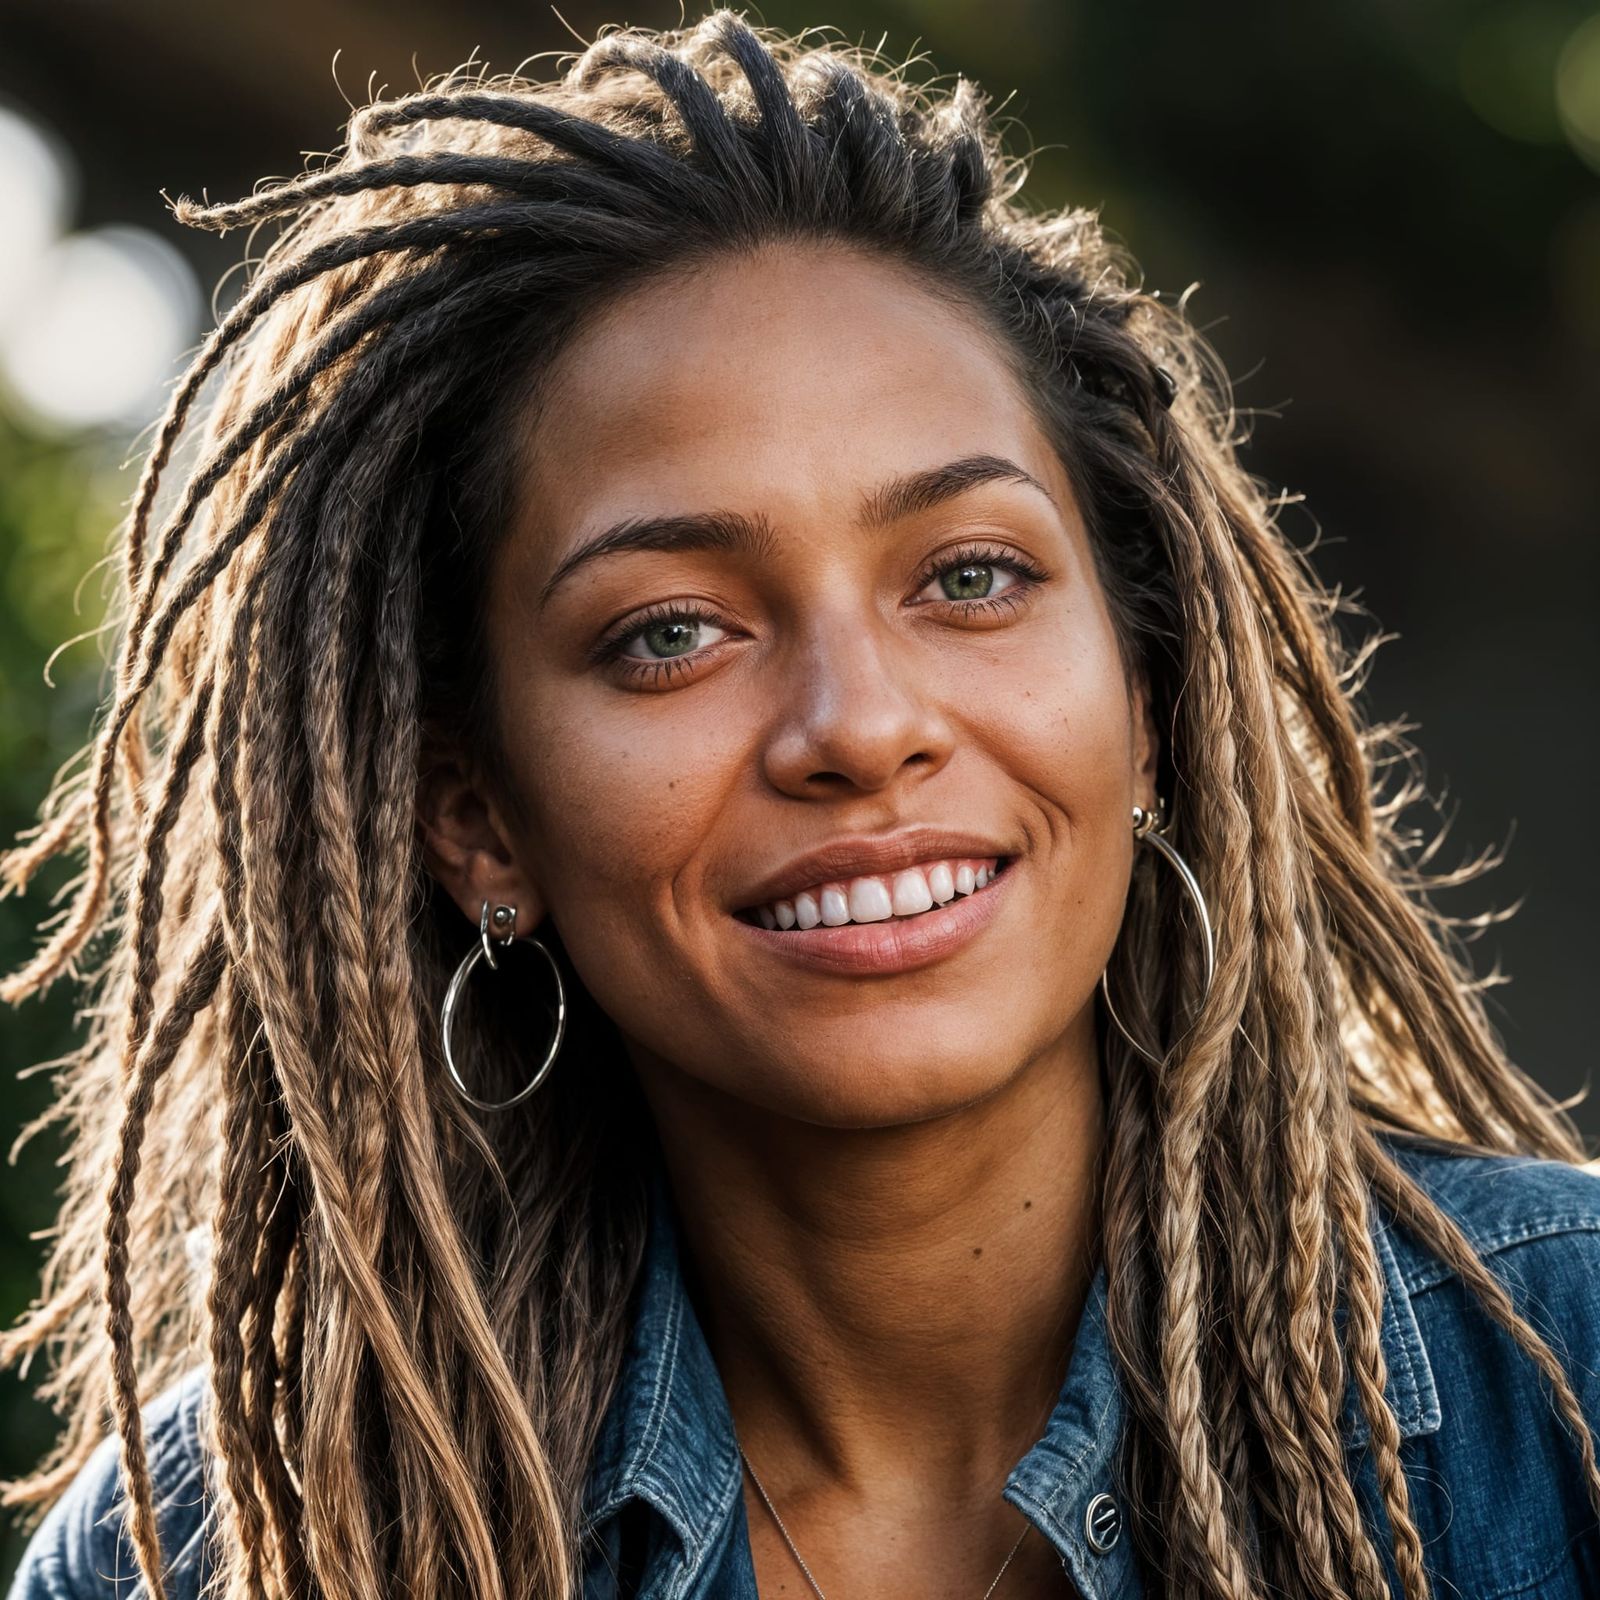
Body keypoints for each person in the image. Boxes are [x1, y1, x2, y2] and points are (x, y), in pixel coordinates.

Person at [3, 10, 1599, 1600]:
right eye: (670, 633)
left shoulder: (1568, 1384)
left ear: (1150, 700)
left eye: (969, 577)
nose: (861, 727)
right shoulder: (217, 1556)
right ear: (476, 819)